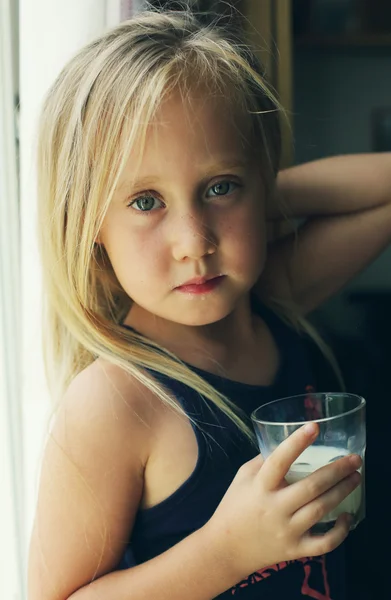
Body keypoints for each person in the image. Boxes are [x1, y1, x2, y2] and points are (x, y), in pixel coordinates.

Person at [27, 9, 391, 600]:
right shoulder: (115, 402)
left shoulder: (270, 297)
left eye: (219, 187)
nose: (195, 242)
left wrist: (264, 193)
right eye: (146, 201)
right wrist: (227, 552)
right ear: (88, 221)